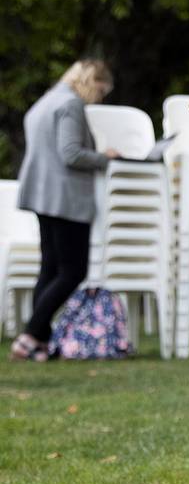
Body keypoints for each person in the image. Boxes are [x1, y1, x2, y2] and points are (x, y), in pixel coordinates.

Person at [10, 60, 119, 362]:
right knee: (73, 270)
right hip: (65, 197)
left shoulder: (46, 100)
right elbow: (71, 153)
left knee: (50, 269)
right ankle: (30, 334)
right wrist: (105, 158)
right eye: (101, 90)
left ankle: (40, 342)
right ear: (91, 80)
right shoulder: (70, 104)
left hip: (41, 194)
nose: (99, 97)